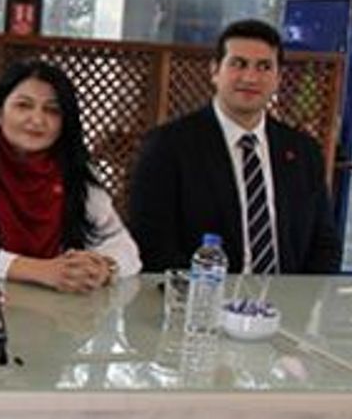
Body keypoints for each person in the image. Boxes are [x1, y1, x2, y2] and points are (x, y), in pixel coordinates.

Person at [129, 19, 340, 273]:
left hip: (288, 295)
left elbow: (324, 244)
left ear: (278, 78)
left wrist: (304, 294)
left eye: (264, 67)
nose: (250, 78)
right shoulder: (167, 146)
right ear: (215, 71)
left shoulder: (304, 151)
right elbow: (151, 243)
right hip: (202, 293)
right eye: (238, 64)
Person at [0, 60, 141, 293]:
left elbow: (124, 246)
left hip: (60, 306)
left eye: (52, 110)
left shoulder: (79, 174)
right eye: (24, 106)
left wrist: (104, 267)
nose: (38, 120)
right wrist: (42, 271)